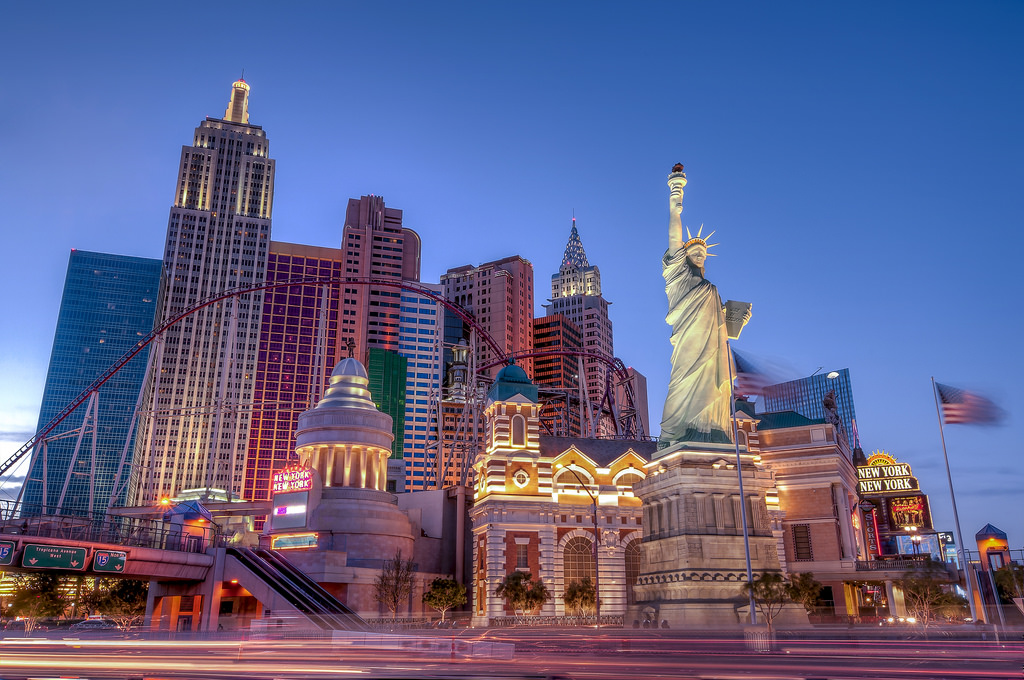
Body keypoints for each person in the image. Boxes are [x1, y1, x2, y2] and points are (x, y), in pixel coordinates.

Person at [658, 165, 732, 447]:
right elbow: (674, 237)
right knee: (680, 385)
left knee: (711, 387)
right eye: (693, 252)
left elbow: (722, 328)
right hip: (687, 344)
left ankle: (707, 430)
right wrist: (676, 195)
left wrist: (736, 320)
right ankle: (671, 436)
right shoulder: (677, 275)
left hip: (711, 350)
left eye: (703, 253)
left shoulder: (709, 290)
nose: (699, 255)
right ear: (685, 256)